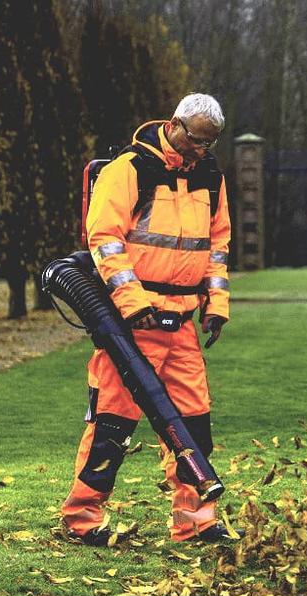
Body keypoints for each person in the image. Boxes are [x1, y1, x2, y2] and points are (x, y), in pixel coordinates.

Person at [61, 93, 233, 545]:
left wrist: (216, 306)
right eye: (197, 141)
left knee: (194, 425)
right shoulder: (129, 170)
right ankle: (82, 520)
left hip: (182, 324)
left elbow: (217, 247)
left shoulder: (211, 177)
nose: (202, 151)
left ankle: (196, 523)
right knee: (112, 425)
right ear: (175, 125)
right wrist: (132, 303)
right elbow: (106, 240)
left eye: (210, 144)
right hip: (133, 323)